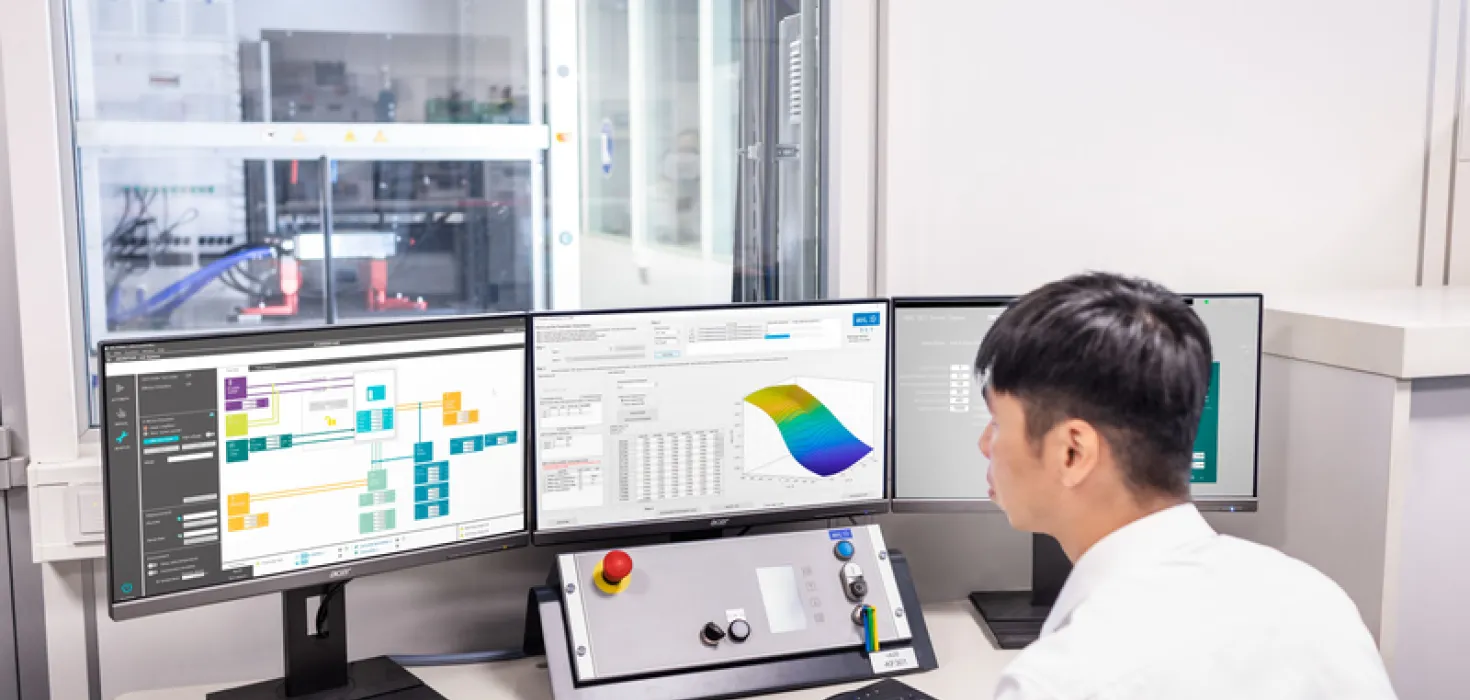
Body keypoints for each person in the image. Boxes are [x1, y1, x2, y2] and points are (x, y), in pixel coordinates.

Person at [978, 273, 1397, 699]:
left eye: (996, 422)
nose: (983, 444)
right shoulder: (1316, 601)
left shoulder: (1059, 681)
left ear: (1073, 452)